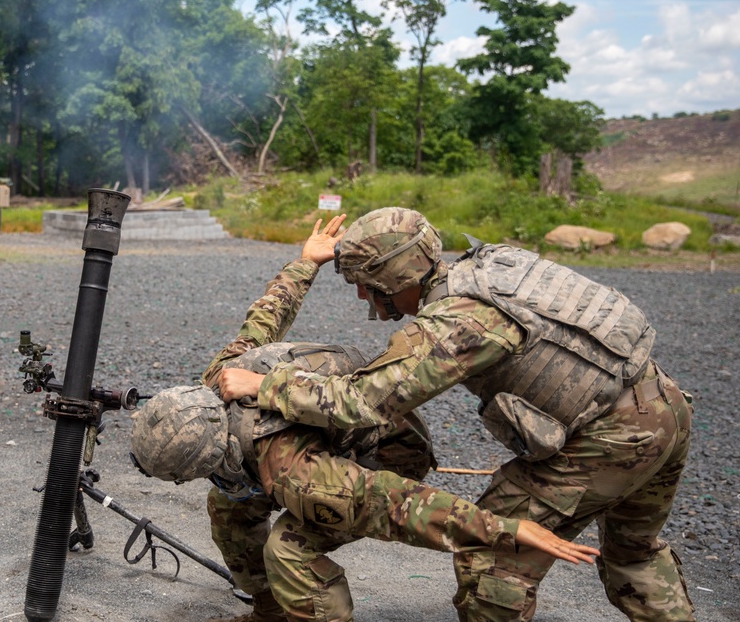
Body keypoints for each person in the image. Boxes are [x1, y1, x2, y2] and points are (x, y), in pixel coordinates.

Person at [218, 208, 695, 622]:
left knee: (492, 557)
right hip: (663, 406)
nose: (363, 298)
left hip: (608, 440)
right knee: (634, 553)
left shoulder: (457, 321)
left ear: (392, 279)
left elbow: (362, 402)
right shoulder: (489, 268)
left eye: (365, 286)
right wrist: (306, 262)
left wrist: (267, 385)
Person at [131, 215, 600, 622]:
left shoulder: (296, 472)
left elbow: (393, 502)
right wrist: (306, 262)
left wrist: (502, 529)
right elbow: (263, 320)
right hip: (331, 427)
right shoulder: (218, 381)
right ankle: (270, 613)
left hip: (387, 453)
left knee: (288, 550)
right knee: (229, 509)